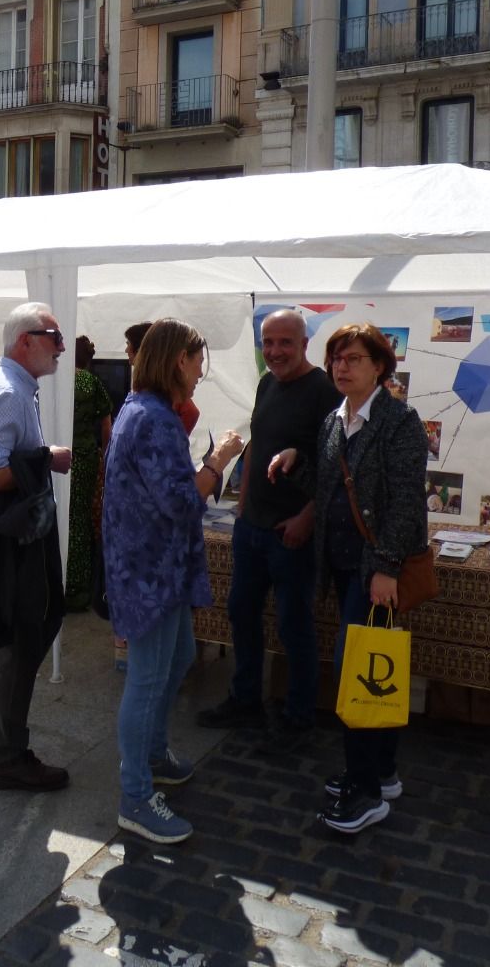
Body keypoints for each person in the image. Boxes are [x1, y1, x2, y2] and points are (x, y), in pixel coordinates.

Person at [270, 322, 428, 834]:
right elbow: (330, 479)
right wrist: (297, 461)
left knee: (358, 673)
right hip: (341, 566)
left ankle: (367, 791)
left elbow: (406, 504)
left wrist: (384, 567)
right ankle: (379, 772)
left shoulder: (400, 422)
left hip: (373, 570)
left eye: (353, 358)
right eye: (337, 358)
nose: (341, 366)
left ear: (379, 366)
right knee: (367, 667)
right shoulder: (335, 419)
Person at [104, 319, 243, 843]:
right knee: (147, 679)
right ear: (177, 361)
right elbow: (182, 500)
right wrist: (219, 459)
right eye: (197, 358)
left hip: (151, 563)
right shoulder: (155, 418)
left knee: (179, 658)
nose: (201, 369)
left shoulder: (142, 409)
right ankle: (135, 795)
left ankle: (155, 755)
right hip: (149, 569)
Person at [197, 309, 339, 752]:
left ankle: (298, 717)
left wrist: (307, 519)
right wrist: (242, 504)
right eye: (268, 343)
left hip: (291, 532)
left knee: (295, 625)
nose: (275, 352)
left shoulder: (324, 391)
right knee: (241, 613)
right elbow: (261, 441)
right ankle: (245, 701)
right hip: (252, 527)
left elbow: (335, 467)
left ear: (304, 344)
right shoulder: (266, 384)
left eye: (285, 343)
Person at [0, 302, 73, 791]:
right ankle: (6, 755)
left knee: (36, 625)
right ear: (25, 340)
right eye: (54, 335)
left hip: (13, 527)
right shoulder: (7, 392)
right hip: (11, 533)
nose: (62, 346)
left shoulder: (12, 385)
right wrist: (46, 458)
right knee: (24, 635)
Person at [66, 335, 112, 611]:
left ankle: (57, 581)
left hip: (52, 457)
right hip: (83, 458)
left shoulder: (54, 381)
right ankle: (78, 589)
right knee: (81, 521)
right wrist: (105, 459)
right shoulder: (91, 382)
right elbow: (106, 425)